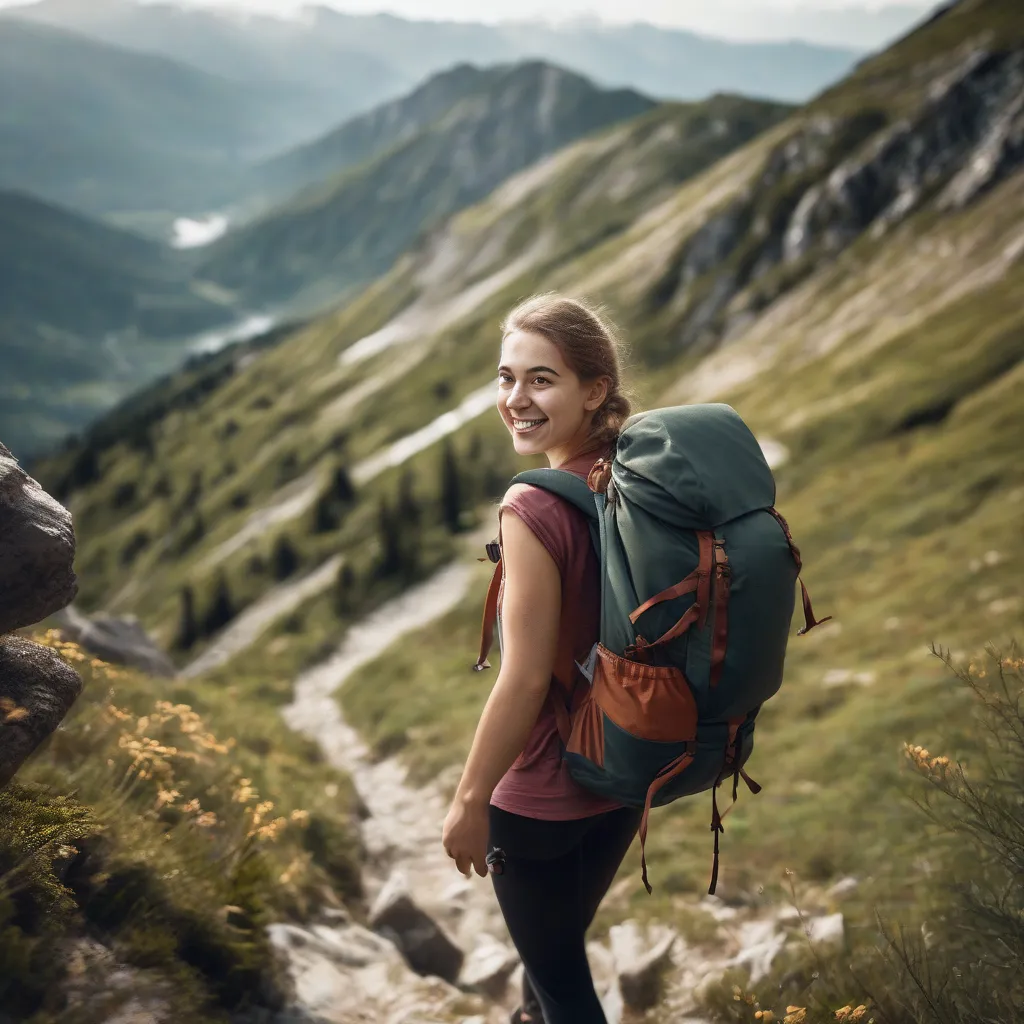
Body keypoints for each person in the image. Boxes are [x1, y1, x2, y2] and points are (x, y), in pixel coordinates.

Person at [441, 293, 643, 1024]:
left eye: (541, 380)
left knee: (563, 988)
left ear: (595, 390)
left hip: (539, 797)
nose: (515, 400)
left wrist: (470, 802)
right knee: (553, 951)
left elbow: (525, 677)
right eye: (506, 378)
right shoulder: (636, 480)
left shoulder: (532, 508)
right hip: (623, 771)